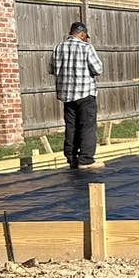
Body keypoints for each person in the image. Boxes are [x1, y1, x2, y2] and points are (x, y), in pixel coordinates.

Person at [48, 21, 103, 169]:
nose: (86, 39)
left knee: (71, 126)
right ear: (82, 34)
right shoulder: (86, 48)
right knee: (87, 126)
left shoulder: (58, 48)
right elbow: (98, 69)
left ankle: (72, 158)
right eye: (86, 36)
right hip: (85, 93)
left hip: (66, 95)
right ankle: (85, 160)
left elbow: (52, 69)